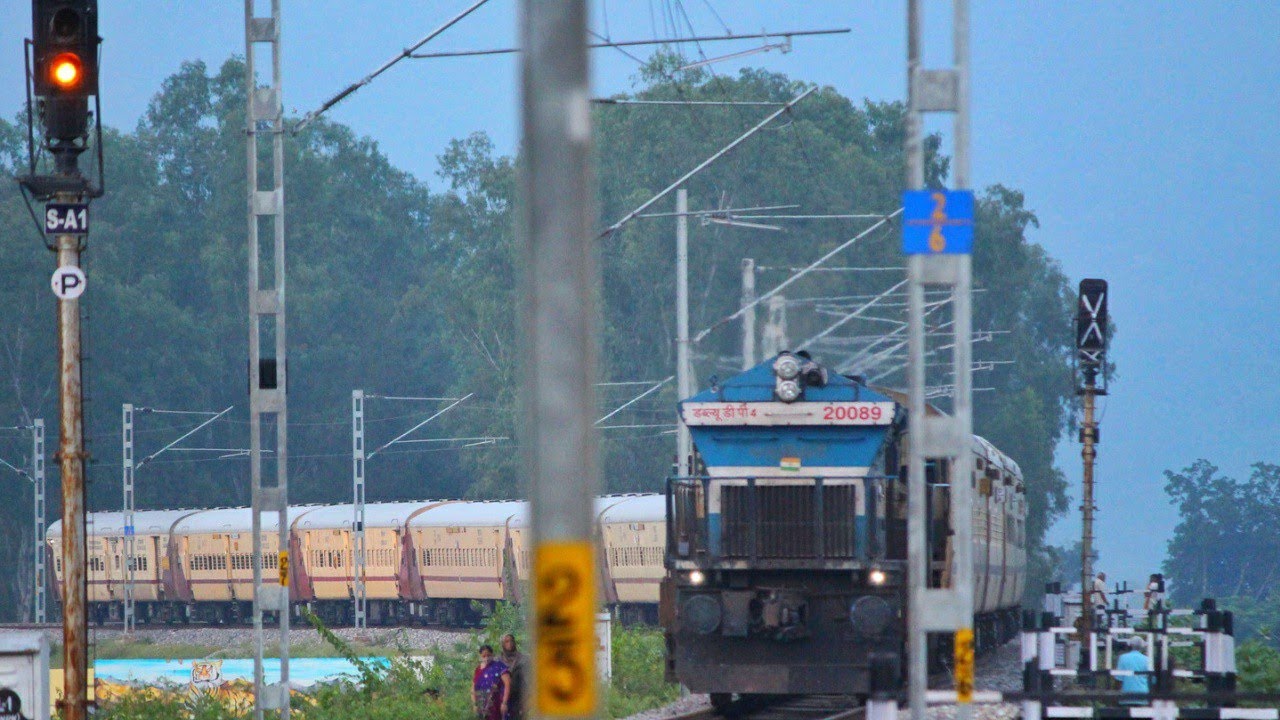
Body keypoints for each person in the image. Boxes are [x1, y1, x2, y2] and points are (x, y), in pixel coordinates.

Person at [472, 645, 511, 720]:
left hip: (497, 703)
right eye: (484, 656)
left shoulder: (499, 666)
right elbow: (473, 688)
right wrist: (475, 704)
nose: (486, 658)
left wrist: (504, 702)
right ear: (480, 656)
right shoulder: (478, 670)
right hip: (482, 705)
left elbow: (507, 684)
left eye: (488, 655)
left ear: (492, 655)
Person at [1116, 635, 1152, 705]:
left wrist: (1116, 696)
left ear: (1130, 645)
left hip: (1126, 697)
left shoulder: (1122, 658)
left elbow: (1118, 680)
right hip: (1143, 696)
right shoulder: (1147, 660)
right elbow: (1151, 680)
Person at [501, 634, 527, 720]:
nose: (510, 643)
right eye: (507, 641)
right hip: (502, 700)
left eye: (512, 641)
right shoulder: (498, 660)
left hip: (518, 700)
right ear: (502, 644)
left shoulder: (523, 659)